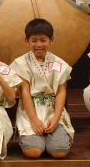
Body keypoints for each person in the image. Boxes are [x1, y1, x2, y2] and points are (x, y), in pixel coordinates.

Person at [11, 19, 74, 159]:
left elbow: (61, 91)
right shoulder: (21, 63)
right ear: (27, 41)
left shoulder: (58, 63)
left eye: (43, 40)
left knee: (59, 152)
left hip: (52, 109)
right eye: (34, 40)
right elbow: (24, 91)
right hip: (30, 110)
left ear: (51, 40)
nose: (38, 45)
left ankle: (52, 140)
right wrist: (33, 119)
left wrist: (56, 117)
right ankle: (39, 141)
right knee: (33, 152)